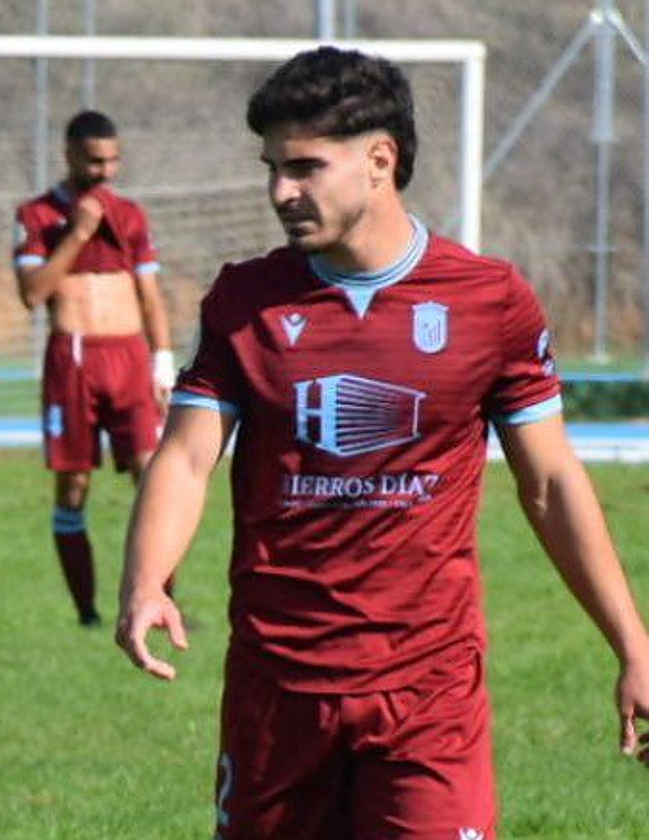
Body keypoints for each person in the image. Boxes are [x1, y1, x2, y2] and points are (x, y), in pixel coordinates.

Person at [115, 45, 649, 839]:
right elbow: (189, 457)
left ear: (379, 160)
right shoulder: (245, 299)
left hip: (429, 691)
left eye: (303, 167)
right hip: (278, 689)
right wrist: (146, 580)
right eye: (271, 167)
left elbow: (551, 483)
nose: (278, 191)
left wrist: (633, 645)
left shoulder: (489, 301)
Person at [13, 109, 175, 628]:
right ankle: (86, 611)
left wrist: (163, 360)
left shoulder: (130, 215)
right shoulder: (37, 215)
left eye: (112, 160)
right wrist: (79, 233)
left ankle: (160, 600)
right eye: (94, 160)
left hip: (128, 357)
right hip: (73, 357)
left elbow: (150, 296)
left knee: (150, 476)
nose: (105, 171)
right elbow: (33, 294)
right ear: (69, 155)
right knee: (74, 486)